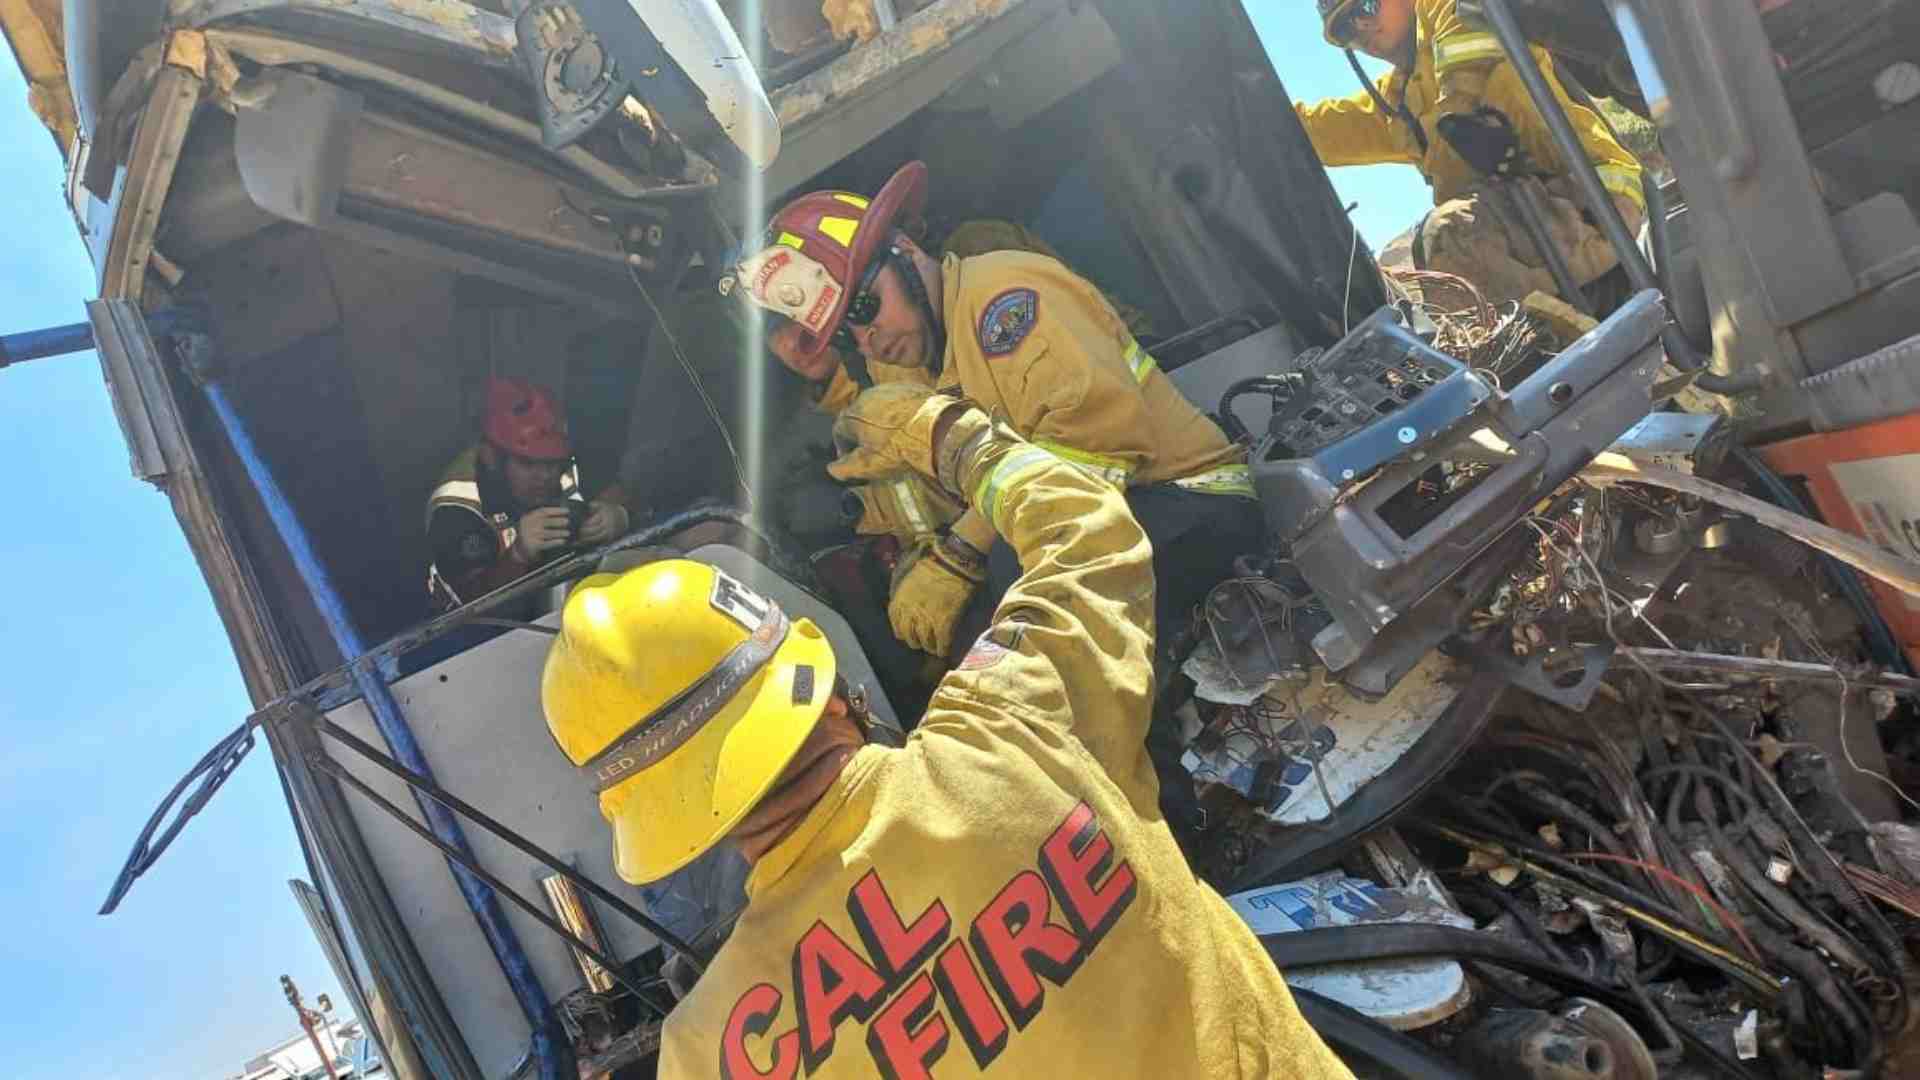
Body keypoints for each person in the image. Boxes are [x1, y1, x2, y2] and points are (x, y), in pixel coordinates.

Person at [541, 386, 1352, 1078]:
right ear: (828, 690)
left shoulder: (710, 1053)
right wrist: (956, 440)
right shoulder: (1013, 727)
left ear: (667, 813)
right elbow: (1089, 532)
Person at [732, 163, 1263, 666]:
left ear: (905, 251)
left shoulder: (1006, 297)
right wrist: (886, 531)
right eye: (847, 334)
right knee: (985, 610)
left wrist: (961, 552)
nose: (867, 337)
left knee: (1014, 573)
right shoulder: (897, 369)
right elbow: (960, 485)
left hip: (1192, 502)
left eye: (865, 308)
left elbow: (1098, 449)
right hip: (1113, 523)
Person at [1297, 0, 1645, 307]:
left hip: (1590, 205)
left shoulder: (1461, 12)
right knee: (1413, 268)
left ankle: (1578, 334)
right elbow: (1308, 131)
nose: (1360, 27)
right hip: (1524, 224)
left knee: (1446, 235)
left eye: (1366, 6)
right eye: (1344, 28)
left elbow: (1462, 47)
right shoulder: (1397, 104)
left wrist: (1459, 113)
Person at [424, 377, 629, 610]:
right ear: (492, 458)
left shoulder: (565, 457)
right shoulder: (456, 508)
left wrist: (620, 516)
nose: (544, 476)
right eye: (527, 464)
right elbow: (470, 605)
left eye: (551, 463)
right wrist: (518, 556)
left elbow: (626, 492)